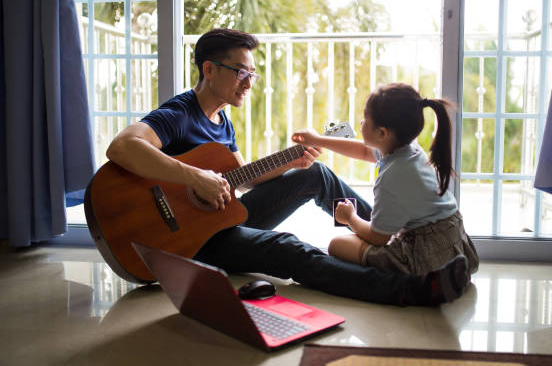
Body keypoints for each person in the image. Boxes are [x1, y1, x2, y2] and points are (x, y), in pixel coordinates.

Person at [106, 28, 469, 306]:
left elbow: (237, 181)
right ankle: (405, 288)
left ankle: (386, 238)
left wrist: (289, 163)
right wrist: (194, 176)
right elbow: (122, 147)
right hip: (187, 240)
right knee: (290, 248)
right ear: (209, 70)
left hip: (217, 217)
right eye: (240, 73)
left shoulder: (222, 122)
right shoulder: (179, 113)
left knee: (314, 173)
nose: (249, 83)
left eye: (252, 74)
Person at [292, 83, 479, 279]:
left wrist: (350, 218)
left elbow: (378, 237)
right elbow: (363, 151)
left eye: (365, 120)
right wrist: (318, 140)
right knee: (354, 239)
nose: (361, 123)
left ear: (382, 133)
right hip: (450, 240)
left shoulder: (392, 175)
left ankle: (406, 281)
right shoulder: (409, 150)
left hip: (424, 253)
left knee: (337, 245)